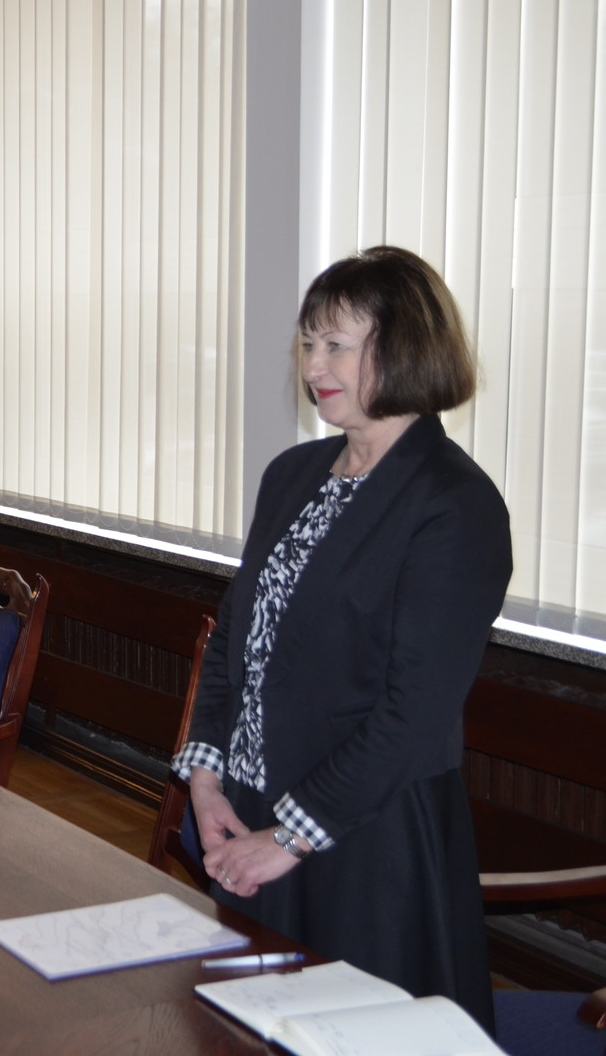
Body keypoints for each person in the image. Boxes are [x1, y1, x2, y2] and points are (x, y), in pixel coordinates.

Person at [173, 245, 511, 1031]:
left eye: (336, 344)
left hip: (365, 840)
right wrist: (207, 779)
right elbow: (234, 642)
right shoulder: (292, 475)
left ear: (407, 348)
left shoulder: (454, 505)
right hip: (249, 815)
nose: (313, 365)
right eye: (306, 343)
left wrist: (289, 837)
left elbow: (413, 715)